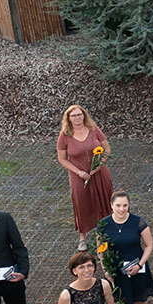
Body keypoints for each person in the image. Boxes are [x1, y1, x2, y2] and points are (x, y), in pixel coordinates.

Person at [99, 191, 153, 304]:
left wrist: (140, 264)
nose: (121, 209)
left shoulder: (138, 222)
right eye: (118, 205)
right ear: (111, 205)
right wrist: (106, 270)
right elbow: (100, 250)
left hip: (138, 268)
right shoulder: (103, 225)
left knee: (140, 301)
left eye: (125, 205)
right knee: (123, 303)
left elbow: (149, 245)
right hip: (117, 271)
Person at [57, 105, 115, 251]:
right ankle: (82, 238)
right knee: (82, 203)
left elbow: (107, 149)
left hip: (99, 173)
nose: (77, 118)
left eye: (79, 114)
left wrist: (100, 164)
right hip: (79, 176)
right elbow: (62, 159)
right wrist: (79, 172)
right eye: (73, 116)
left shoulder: (93, 129)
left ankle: (108, 231)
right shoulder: (64, 135)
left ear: (84, 115)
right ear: (68, 118)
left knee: (105, 199)